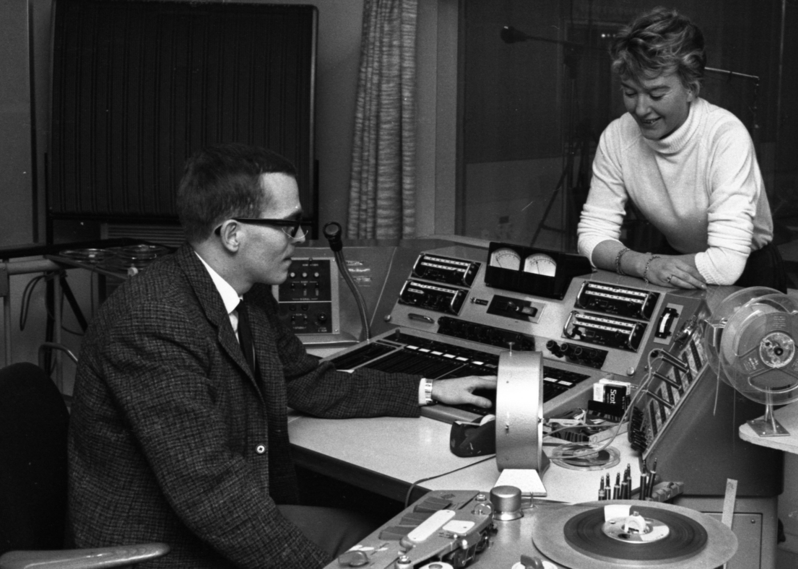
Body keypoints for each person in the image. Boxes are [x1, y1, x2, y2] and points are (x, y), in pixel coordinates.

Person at [68, 143, 495, 569]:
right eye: (289, 226)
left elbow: (305, 380)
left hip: (220, 516)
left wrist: (431, 389)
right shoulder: (152, 322)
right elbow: (210, 493)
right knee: (386, 551)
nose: (301, 238)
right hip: (163, 550)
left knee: (390, 536)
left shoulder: (248, 294)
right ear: (232, 235)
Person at [576, 7, 786, 291]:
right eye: (630, 92)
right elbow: (591, 235)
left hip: (748, 269)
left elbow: (726, 264)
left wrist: (649, 265)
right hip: (669, 261)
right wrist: (644, 264)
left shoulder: (725, 136)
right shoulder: (617, 137)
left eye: (656, 94)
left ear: (691, 89)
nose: (641, 108)